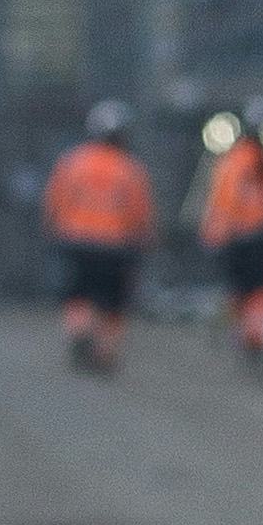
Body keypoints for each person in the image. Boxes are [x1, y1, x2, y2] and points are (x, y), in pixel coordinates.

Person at [39, 103, 156, 374]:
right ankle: (105, 351)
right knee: (113, 303)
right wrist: (145, 240)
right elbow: (141, 212)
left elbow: (54, 200)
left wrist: (51, 229)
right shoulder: (131, 169)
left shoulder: (72, 162)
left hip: (75, 241)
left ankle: (79, 330)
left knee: (77, 292)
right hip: (115, 246)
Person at [198, 101, 263, 361]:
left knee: (240, 289)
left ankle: (244, 333)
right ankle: (254, 334)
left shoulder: (231, 161)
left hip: (237, 237)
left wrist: (214, 234)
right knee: (262, 289)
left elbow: (220, 201)